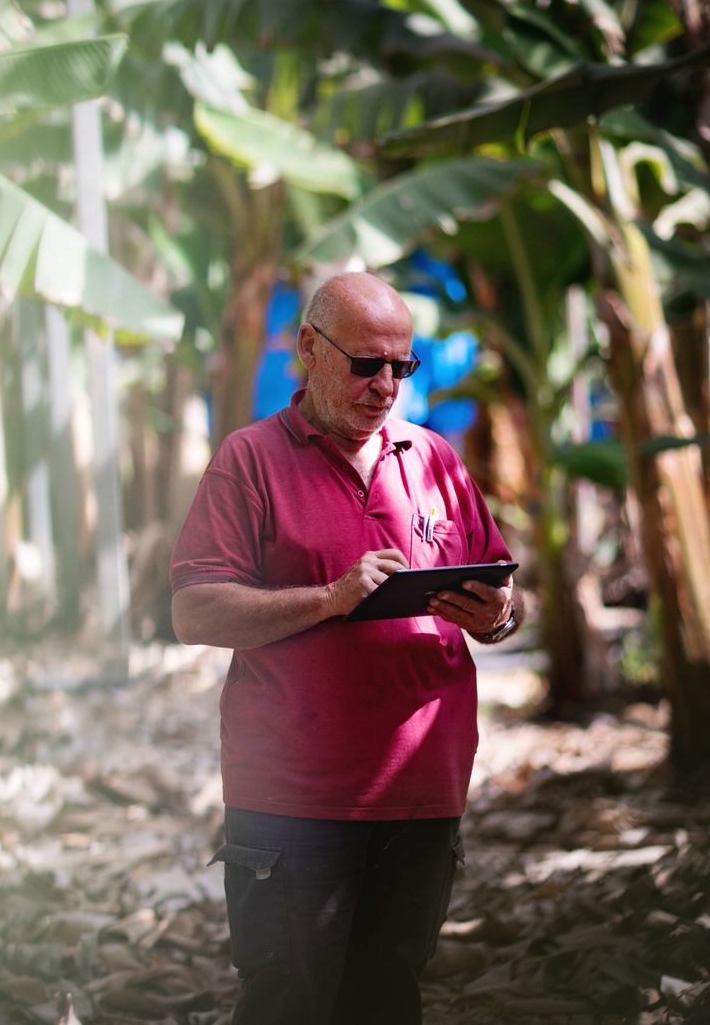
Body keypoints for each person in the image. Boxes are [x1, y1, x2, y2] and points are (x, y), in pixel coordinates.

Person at [170, 272, 521, 1025]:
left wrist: (494, 616)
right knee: (286, 1003)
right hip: (294, 795)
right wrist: (330, 598)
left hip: (424, 789)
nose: (386, 384)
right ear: (308, 349)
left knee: (389, 998)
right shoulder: (250, 460)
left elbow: (501, 601)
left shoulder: (435, 460)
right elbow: (194, 609)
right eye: (367, 364)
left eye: (402, 366)